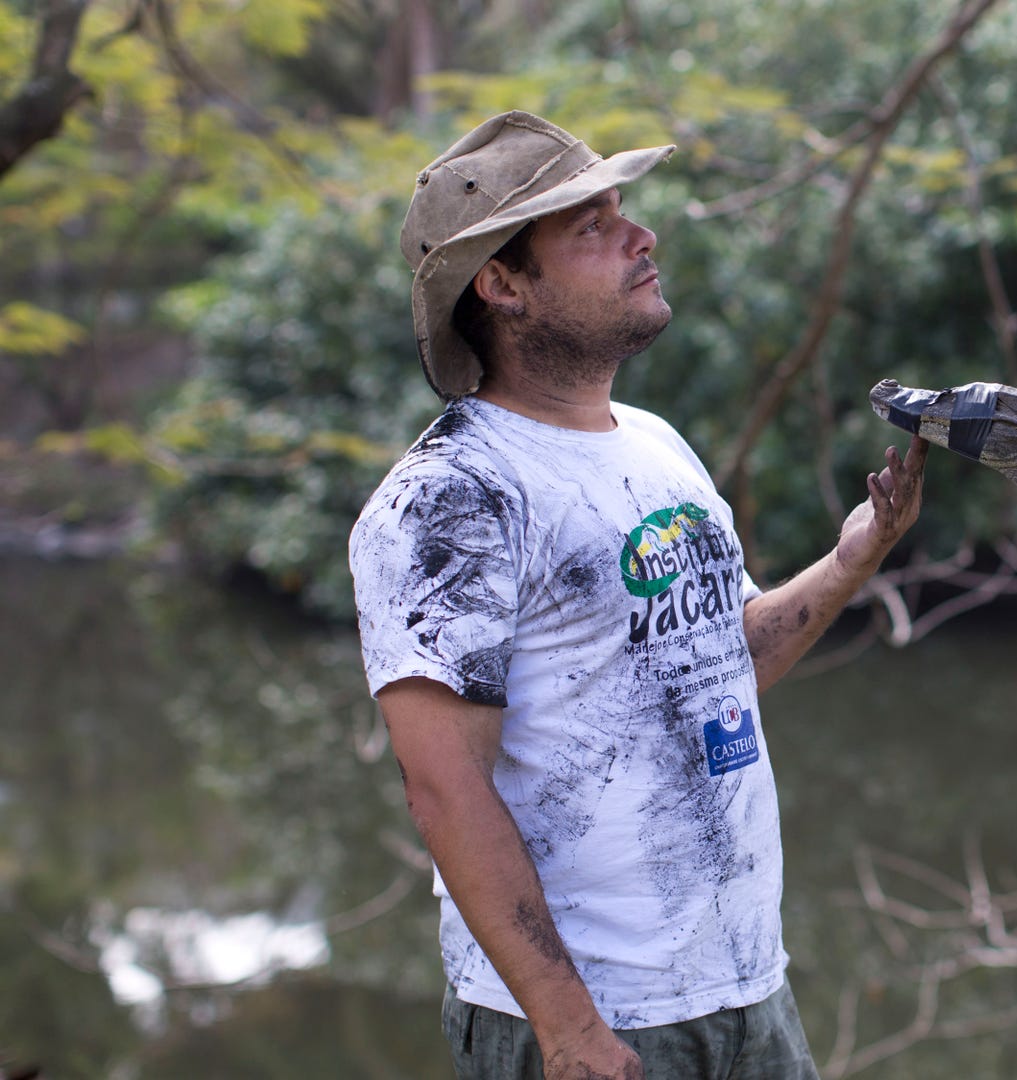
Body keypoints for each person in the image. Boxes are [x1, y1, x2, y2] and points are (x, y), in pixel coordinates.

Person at [348, 111, 928, 1080]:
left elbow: (721, 666)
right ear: (500, 284)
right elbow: (443, 784)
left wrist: (853, 559)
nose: (640, 236)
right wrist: (568, 1027)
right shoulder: (453, 495)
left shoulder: (654, 444)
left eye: (624, 211)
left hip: (744, 991)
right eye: (591, 226)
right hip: (592, 1018)